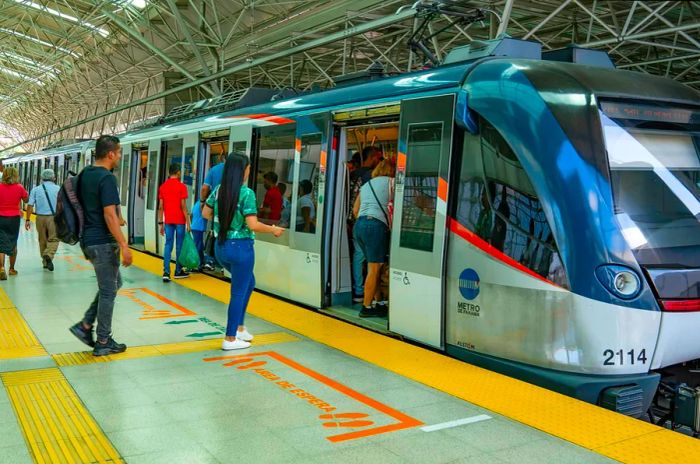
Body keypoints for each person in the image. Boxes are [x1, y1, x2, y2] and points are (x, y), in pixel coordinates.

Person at [202, 152, 284, 350]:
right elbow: (253, 225)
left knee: (249, 283)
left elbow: (205, 212)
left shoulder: (220, 190)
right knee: (238, 292)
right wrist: (273, 229)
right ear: (242, 170)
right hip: (241, 249)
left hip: (221, 248)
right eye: (248, 168)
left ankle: (239, 328)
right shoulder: (247, 193)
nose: (249, 171)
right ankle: (230, 338)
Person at [69, 135, 132, 356]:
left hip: (88, 240)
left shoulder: (86, 173)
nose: (120, 156)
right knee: (108, 291)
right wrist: (124, 244)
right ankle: (103, 340)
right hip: (103, 241)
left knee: (115, 283)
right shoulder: (107, 178)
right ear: (111, 153)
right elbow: (108, 214)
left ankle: (85, 325)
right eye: (120, 152)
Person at [353, 160, 394, 318]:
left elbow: (355, 210)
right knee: (375, 269)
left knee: (374, 266)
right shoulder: (392, 182)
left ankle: (378, 303)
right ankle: (366, 307)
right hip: (375, 226)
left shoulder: (366, 185)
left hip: (360, 226)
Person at [349, 147, 383, 303]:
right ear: (375, 158)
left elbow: (355, 206)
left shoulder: (353, 174)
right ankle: (366, 297)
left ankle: (358, 291)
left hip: (354, 221)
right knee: (371, 264)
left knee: (359, 257)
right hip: (369, 221)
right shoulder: (370, 176)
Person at [158, 163, 191, 282]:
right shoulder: (182, 186)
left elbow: (161, 207)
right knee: (179, 246)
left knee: (168, 244)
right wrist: (188, 222)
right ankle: (178, 271)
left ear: (169, 173)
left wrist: (160, 223)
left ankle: (166, 272)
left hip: (168, 221)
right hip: (180, 221)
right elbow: (183, 206)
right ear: (178, 173)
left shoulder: (162, 187)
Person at [24, 169, 60, 271]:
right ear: (54, 178)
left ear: (41, 178)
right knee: (54, 238)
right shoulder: (58, 189)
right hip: (53, 217)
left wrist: (27, 219)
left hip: (39, 218)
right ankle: (48, 255)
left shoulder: (35, 189)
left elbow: (30, 205)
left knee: (42, 240)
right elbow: (62, 205)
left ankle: (45, 262)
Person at [0, 167, 28, 280]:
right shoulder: (19, 187)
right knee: (13, 242)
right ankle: (11, 269)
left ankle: (1, 268)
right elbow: (26, 200)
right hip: (14, 218)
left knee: (0, 243)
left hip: (0, 217)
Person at [190, 200, 207, 272]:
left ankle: (202, 262)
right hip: (199, 228)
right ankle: (197, 265)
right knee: (198, 247)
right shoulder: (204, 204)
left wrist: (192, 224)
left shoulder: (197, 202)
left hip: (194, 226)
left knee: (199, 246)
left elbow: (191, 215)